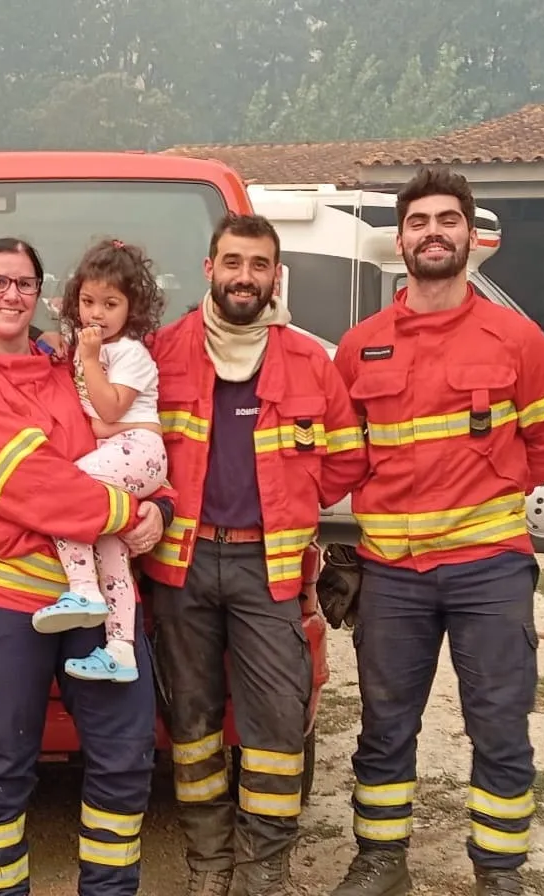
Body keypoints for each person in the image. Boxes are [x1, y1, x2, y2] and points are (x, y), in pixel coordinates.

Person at [328, 166, 544, 896]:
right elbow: (341, 454)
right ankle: (380, 862)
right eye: (417, 222)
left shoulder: (515, 338)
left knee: (498, 722)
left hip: (487, 568)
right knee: (383, 726)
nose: (431, 232)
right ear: (399, 240)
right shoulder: (360, 346)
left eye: (445, 220)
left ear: (470, 235)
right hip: (391, 573)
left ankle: (497, 872)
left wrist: (483, 499)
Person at [0, 238, 171, 896]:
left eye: (24, 283)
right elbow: (40, 489)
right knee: (2, 766)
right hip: (1, 604)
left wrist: (162, 509)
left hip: (89, 604)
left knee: (126, 757)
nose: (11, 295)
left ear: (41, 296)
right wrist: (128, 515)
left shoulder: (61, 365)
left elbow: (124, 444)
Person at [141, 212, 369, 896]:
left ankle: (263, 873)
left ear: (275, 276)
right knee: (192, 722)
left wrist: (292, 504)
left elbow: (345, 458)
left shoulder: (307, 360)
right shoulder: (162, 350)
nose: (246, 277)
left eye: (259, 265)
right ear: (209, 269)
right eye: (233, 263)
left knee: (275, 723)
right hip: (178, 565)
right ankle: (209, 867)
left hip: (265, 564)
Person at [30, 238, 169, 685]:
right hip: (121, 451)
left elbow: (109, 409)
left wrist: (87, 356)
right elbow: (61, 350)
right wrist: (57, 340)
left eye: (111, 304)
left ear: (132, 307)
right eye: (88, 301)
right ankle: (121, 649)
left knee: (65, 495)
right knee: (110, 547)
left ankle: (83, 591)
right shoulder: (86, 345)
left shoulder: (131, 353)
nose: (97, 314)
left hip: (142, 455)